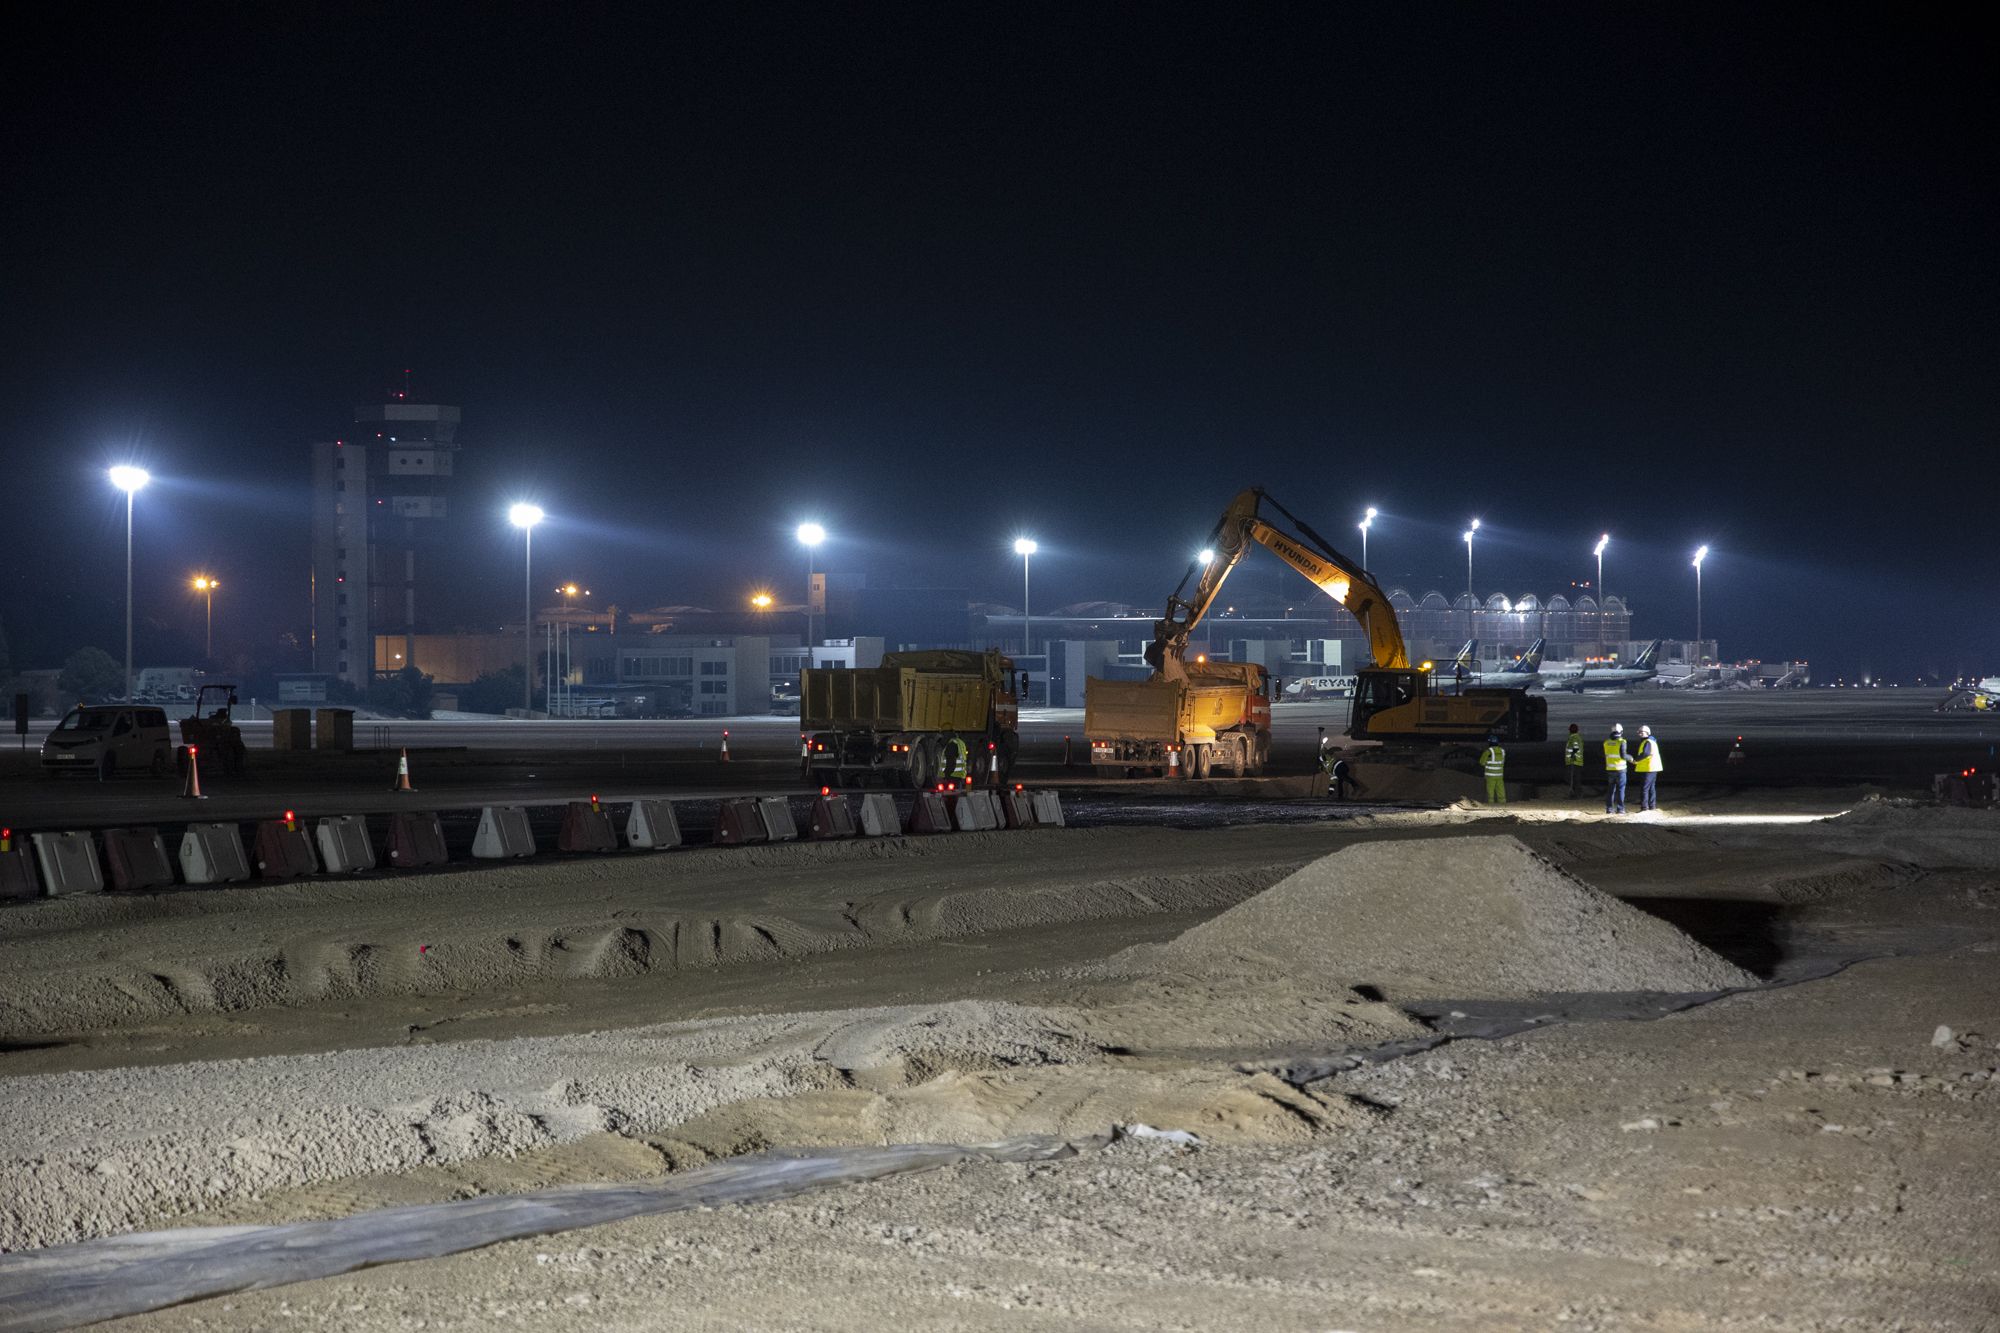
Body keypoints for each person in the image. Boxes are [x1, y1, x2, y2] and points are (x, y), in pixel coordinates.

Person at [1632, 724, 1664, 811]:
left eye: (1641, 732)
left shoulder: (1648, 742)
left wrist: (1636, 760)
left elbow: (1646, 753)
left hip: (1648, 768)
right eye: (1639, 732)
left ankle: (1644, 807)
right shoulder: (1651, 741)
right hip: (1653, 768)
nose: (1639, 734)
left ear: (1647, 733)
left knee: (1644, 788)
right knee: (1651, 787)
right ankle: (1652, 806)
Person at [1603, 723, 1630, 815]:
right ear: (1621, 732)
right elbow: (1623, 755)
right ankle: (1620, 809)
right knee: (1621, 789)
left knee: (1611, 790)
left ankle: (1609, 809)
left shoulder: (1606, 742)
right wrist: (1631, 758)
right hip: (1621, 770)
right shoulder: (1622, 742)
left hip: (1610, 769)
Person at [1480, 734, 1506, 804]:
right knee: (1501, 790)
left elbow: (1482, 762)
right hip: (1499, 775)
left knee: (1490, 791)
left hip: (1490, 775)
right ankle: (1502, 804)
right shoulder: (1502, 751)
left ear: (1490, 742)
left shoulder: (1488, 752)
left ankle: (1491, 804)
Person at [1564, 723, 1585, 797]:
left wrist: (1572, 757)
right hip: (1577, 761)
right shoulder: (1576, 737)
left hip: (1574, 761)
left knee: (1573, 778)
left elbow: (1575, 747)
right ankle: (1575, 793)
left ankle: (1577, 794)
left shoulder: (1574, 737)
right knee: (1575, 778)